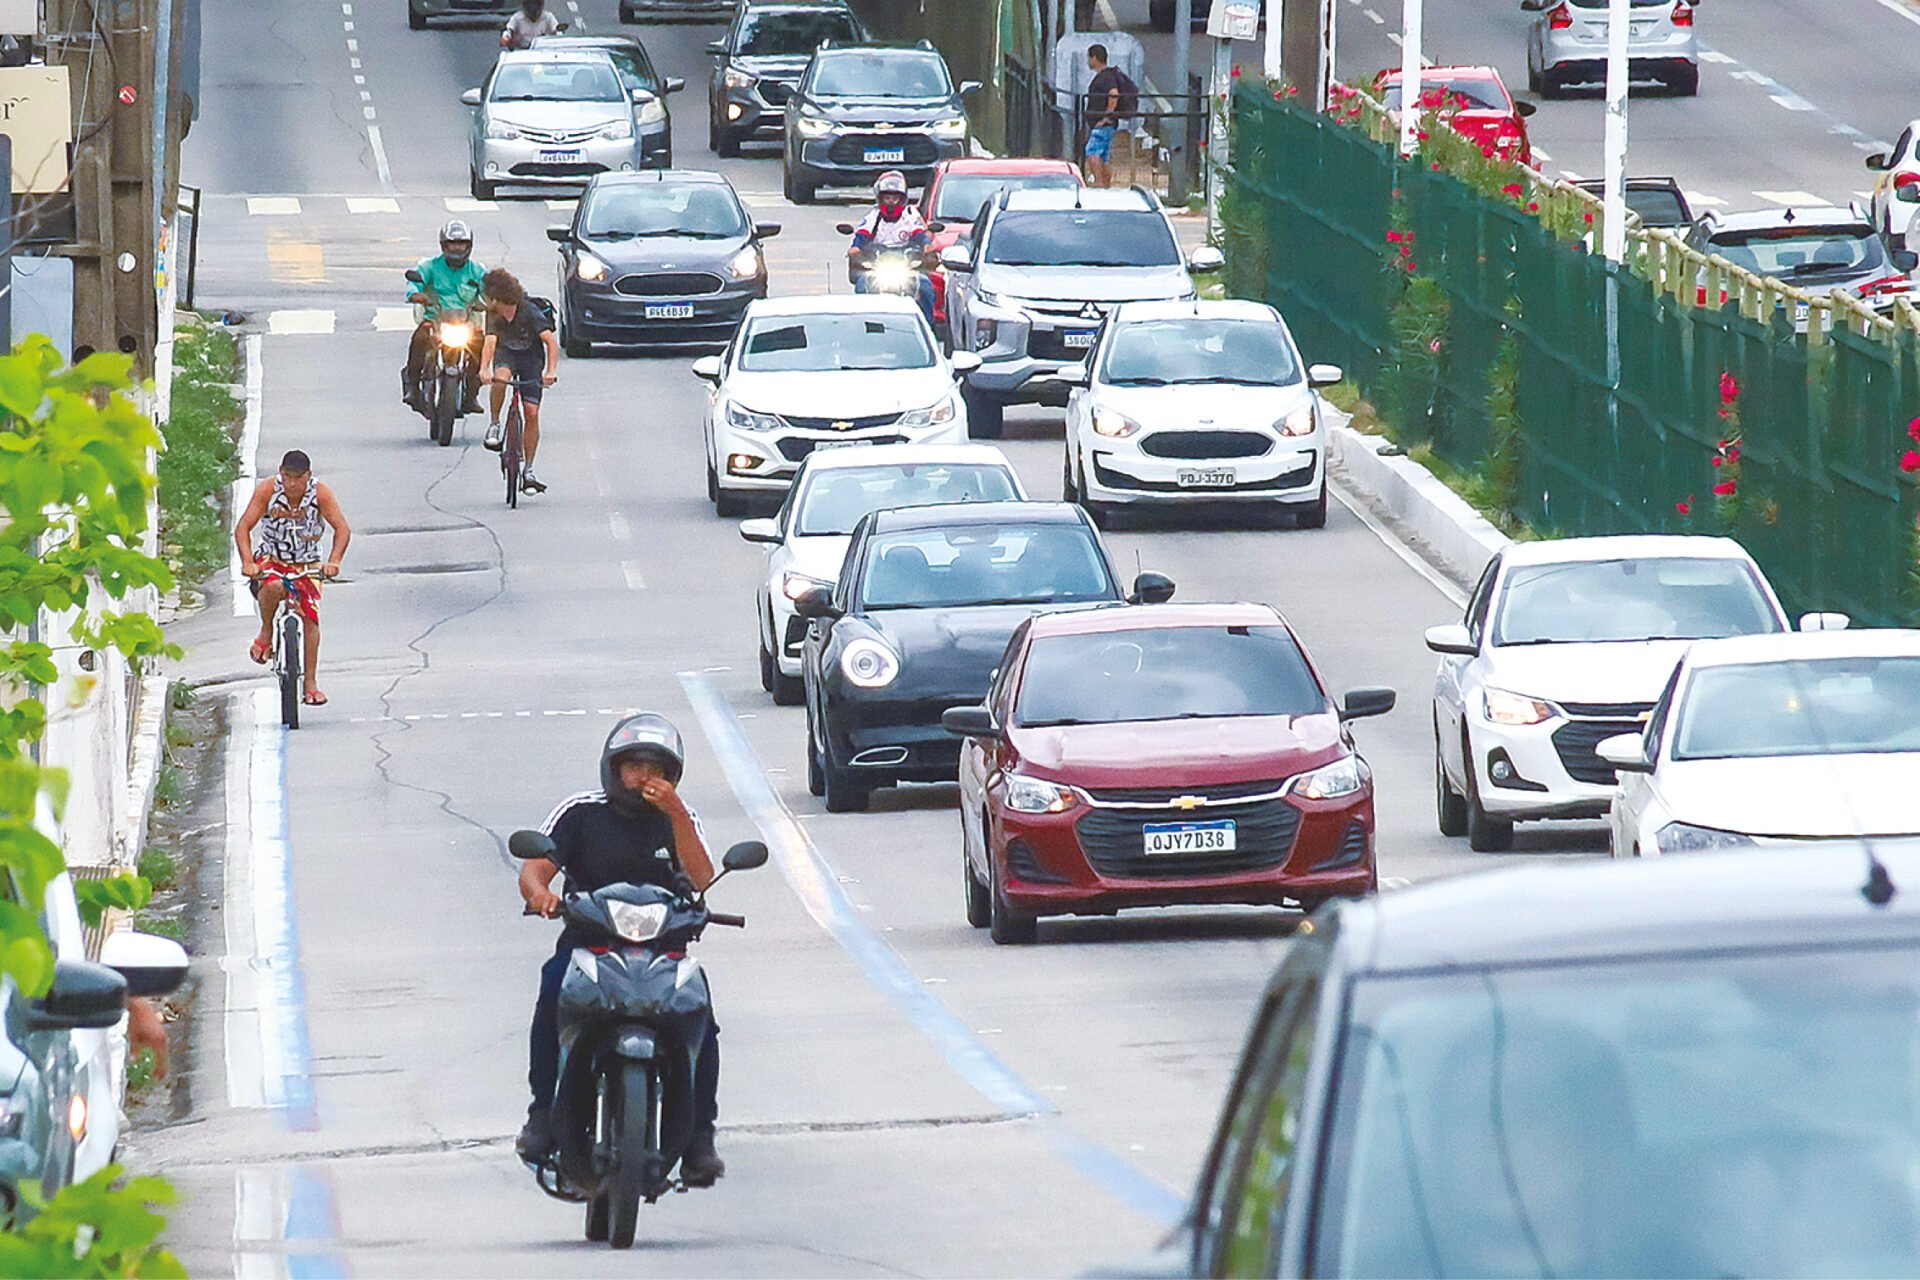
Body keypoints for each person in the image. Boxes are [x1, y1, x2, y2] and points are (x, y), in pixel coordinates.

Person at [515, 715, 727, 1188]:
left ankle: (699, 1138)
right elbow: (535, 869)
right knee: (553, 994)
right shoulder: (580, 812)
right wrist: (540, 895)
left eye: (657, 770)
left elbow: (702, 879)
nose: (644, 778)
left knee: (700, 1016)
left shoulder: (679, 818)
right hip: (589, 946)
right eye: (633, 766)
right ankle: (543, 1115)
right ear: (613, 769)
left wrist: (675, 813)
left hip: (662, 952)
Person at [234, 450, 351, 706]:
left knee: (310, 617)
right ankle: (266, 630)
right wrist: (247, 562)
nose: (292, 484)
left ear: (308, 476)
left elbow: (341, 528)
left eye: (298, 478)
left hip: (306, 563)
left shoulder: (320, 494)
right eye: (287, 477)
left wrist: (334, 562)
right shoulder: (267, 491)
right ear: (280, 473)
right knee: (273, 587)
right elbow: (243, 527)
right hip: (273, 560)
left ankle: (310, 683)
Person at [479, 269, 560, 493]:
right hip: (507, 354)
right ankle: (495, 424)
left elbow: (551, 343)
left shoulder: (530, 311)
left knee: (531, 412)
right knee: (500, 379)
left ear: (497, 297)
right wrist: (484, 369)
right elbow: (490, 342)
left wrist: (550, 371)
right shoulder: (493, 314)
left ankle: (529, 470)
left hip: (531, 359)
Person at [403, 220, 487, 413]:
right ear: (444, 245)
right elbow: (416, 282)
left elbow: (491, 286)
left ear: (469, 245)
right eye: (452, 243)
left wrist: (493, 301)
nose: (457, 248)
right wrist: (416, 295)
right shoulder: (430, 266)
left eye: (461, 244)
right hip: (435, 321)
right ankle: (413, 386)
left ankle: (472, 394)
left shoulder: (477, 270)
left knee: (481, 346)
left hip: (466, 323)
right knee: (419, 338)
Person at [847, 170, 936, 327]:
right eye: (887, 198)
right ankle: (863, 325)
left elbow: (919, 234)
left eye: (895, 198)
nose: (891, 202)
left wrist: (927, 245)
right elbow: (862, 235)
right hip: (877, 268)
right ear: (880, 198)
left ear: (902, 199)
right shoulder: (872, 217)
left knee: (925, 286)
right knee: (862, 285)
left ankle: (927, 329)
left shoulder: (910, 216)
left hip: (906, 268)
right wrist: (855, 248)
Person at [1084, 44, 1135, 188]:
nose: (1088, 61)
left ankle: (1100, 183)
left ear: (1095, 58)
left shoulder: (1106, 77)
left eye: (1089, 57)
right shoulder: (1108, 75)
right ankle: (1106, 185)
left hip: (1103, 124)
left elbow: (1113, 94)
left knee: (1092, 152)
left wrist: (1106, 116)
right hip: (1107, 124)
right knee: (1104, 156)